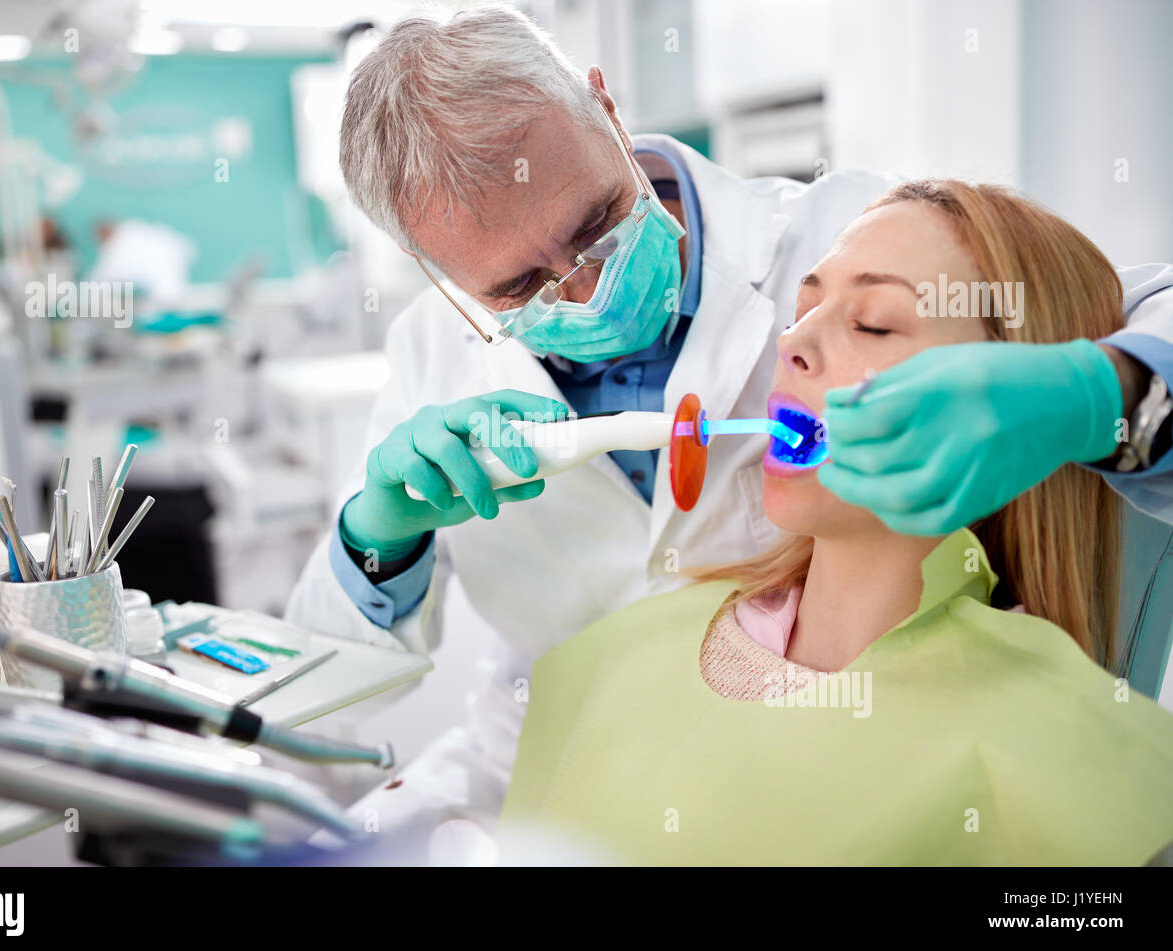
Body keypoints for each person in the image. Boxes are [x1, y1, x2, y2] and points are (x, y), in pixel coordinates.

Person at [285, 5, 1173, 833]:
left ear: (606, 108)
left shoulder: (841, 229)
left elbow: (1099, 305)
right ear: (429, 266)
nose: (588, 291)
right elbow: (306, 702)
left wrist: (1094, 394)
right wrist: (378, 539)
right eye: (523, 288)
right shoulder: (428, 359)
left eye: (598, 223)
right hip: (546, 775)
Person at [497, 180, 1173, 865]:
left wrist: (1090, 398)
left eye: (874, 322)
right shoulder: (619, 651)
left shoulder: (1055, 744)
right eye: (803, 307)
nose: (791, 341)